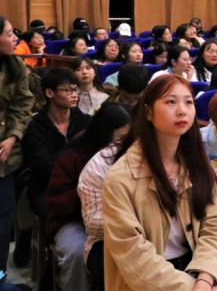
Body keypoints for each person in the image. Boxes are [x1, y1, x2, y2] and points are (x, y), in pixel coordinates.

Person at [102, 75, 217, 291]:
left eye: (188, 102)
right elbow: (135, 258)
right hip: (146, 283)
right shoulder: (121, 178)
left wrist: (204, 280)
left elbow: (215, 227)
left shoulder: (196, 165)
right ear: (148, 112)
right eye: (171, 102)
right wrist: (197, 289)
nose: (182, 110)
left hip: (196, 271)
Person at [46, 103, 131, 290]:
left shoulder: (129, 155)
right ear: (104, 134)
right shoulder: (73, 156)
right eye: (120, 139)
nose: (124, 146)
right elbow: (57, 202)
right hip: (73, 220)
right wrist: (89, 196)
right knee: (77, 253)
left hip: (118, 220)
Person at [22, 67, 92, 222]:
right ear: (49, 93)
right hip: (48, 191)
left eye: (75, 89)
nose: (74, 95)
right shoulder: (35, 128)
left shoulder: (85, 122)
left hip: (84, 186)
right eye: (67, 90)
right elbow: (44, 169)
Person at [77, 106, 134, 291]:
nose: (126, 146)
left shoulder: (149, 156)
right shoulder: (96, 165)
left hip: (146, 236)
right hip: (104, 239)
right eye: (120, 140)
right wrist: (136, 223)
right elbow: (93, 222)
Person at [0, 16, 35, 287]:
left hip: (5, 161)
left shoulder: (15, 66)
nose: (15, 39)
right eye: (9, 33)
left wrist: (13, 137)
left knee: (3, 225)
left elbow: (22, 105)